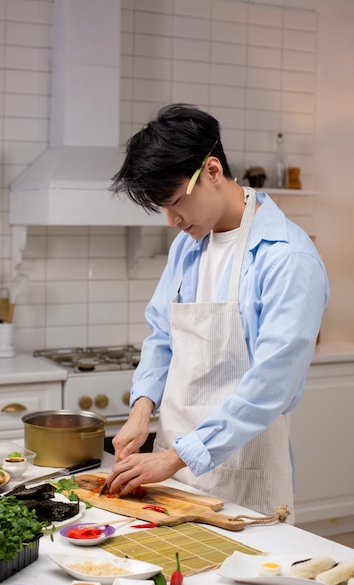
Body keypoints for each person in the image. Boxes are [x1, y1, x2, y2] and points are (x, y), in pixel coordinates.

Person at [107, 103, 329, 518]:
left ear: (211, 171)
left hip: (244, 480)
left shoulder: (287, 258)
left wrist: (175, 458)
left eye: (175, 201)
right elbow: (162, 336)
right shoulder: (188, 245)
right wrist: (140, 412)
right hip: (170, 476)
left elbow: (271, 386)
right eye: (162, 208)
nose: (171, 219)